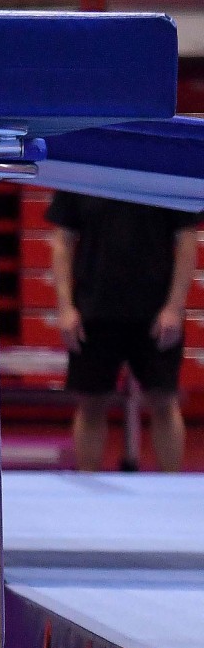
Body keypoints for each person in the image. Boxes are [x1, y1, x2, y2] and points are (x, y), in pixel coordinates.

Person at [47, 191, 199, 472]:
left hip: (155, 312)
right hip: (94, 309)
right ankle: (87, 485)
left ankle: (173, 485)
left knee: (164, 401)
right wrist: (66, 308)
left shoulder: (162, 176)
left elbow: (187, 241)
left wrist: (174, 307)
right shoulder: (82, 177)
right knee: (91, 403)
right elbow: (62, 242)